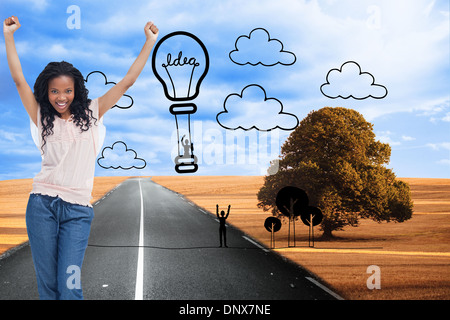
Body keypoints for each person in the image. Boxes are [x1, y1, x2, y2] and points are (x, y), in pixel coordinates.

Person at [3, 15, 159, 300]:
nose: (60, 97)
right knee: (48, 288)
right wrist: (9, 35)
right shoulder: (41, 116)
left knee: (70, 286)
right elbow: (17, 80)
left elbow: (126, 82)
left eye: (66, 91)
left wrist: (149, 42)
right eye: (54, 91)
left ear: (75, 91)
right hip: (41, 208)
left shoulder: (92, 112)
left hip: (77, 212)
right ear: (46, 92)